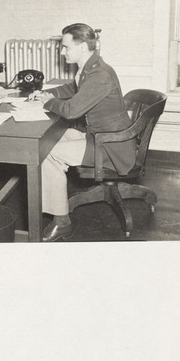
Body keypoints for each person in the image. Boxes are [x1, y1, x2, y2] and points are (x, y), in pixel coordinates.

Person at [29, 23, 136, 242]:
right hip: (99, 136)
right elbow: (72, 89)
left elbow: (70, 110)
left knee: (47, 154)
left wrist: (49, 102)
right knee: (49, 140)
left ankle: (62, 222)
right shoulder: (91, 67)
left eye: (66, 47)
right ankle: (57, 207)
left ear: (82, 47)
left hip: (111, 146)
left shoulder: (99, 75)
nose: (62, 51)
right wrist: (45, 93)